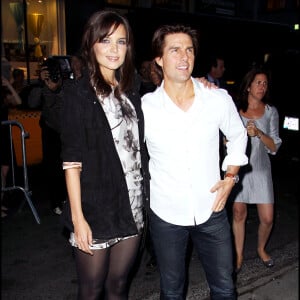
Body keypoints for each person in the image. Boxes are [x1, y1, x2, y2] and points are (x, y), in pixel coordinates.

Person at [141, 24, 248, 299]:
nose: (184, 57)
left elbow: (238, 136)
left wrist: (230, 178)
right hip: (165, 213)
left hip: (211, 208)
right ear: (159, 59)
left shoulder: (216, 99)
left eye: (189, 50)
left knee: (224, 287)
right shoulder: (145, 108)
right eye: (174, 50)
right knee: (172, 291)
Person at [60, 10, 150, 299]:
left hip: (132, 204)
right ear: (91, 44)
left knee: (119, 287)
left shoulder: (132, 92)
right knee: (91, 291)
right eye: (106, 40)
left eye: (121, 42)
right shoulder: (78, 93)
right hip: (95, 209)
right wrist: (78, 218)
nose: (114, 49)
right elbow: (71, 162)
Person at [231, 67, 282, 273]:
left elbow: (274, 146)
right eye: (258, 82)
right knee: (238, 212)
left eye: (265, 83)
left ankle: (261, 249)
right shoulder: (235, 110)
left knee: (268, 217)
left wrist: (259, 132)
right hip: (240, 169)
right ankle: (239, 255)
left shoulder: (270, 111)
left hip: (261, 169)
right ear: (249, 85)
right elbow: (226, 138)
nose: (262, 87)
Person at [28, 58, 67, 215]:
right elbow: (32, 103)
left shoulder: (66, 85)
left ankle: (67, 199)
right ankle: (55, 202)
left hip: (66, 130)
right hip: (50, 132)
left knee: (68, 166)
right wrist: (42, 84)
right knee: (53, 168)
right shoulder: (41, 86)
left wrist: (57, 88)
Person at [1, 76, 22, 218]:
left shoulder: (3, 94)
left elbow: (18, 101)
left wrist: (8, 84)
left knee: (4, 172)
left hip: (4, 136)